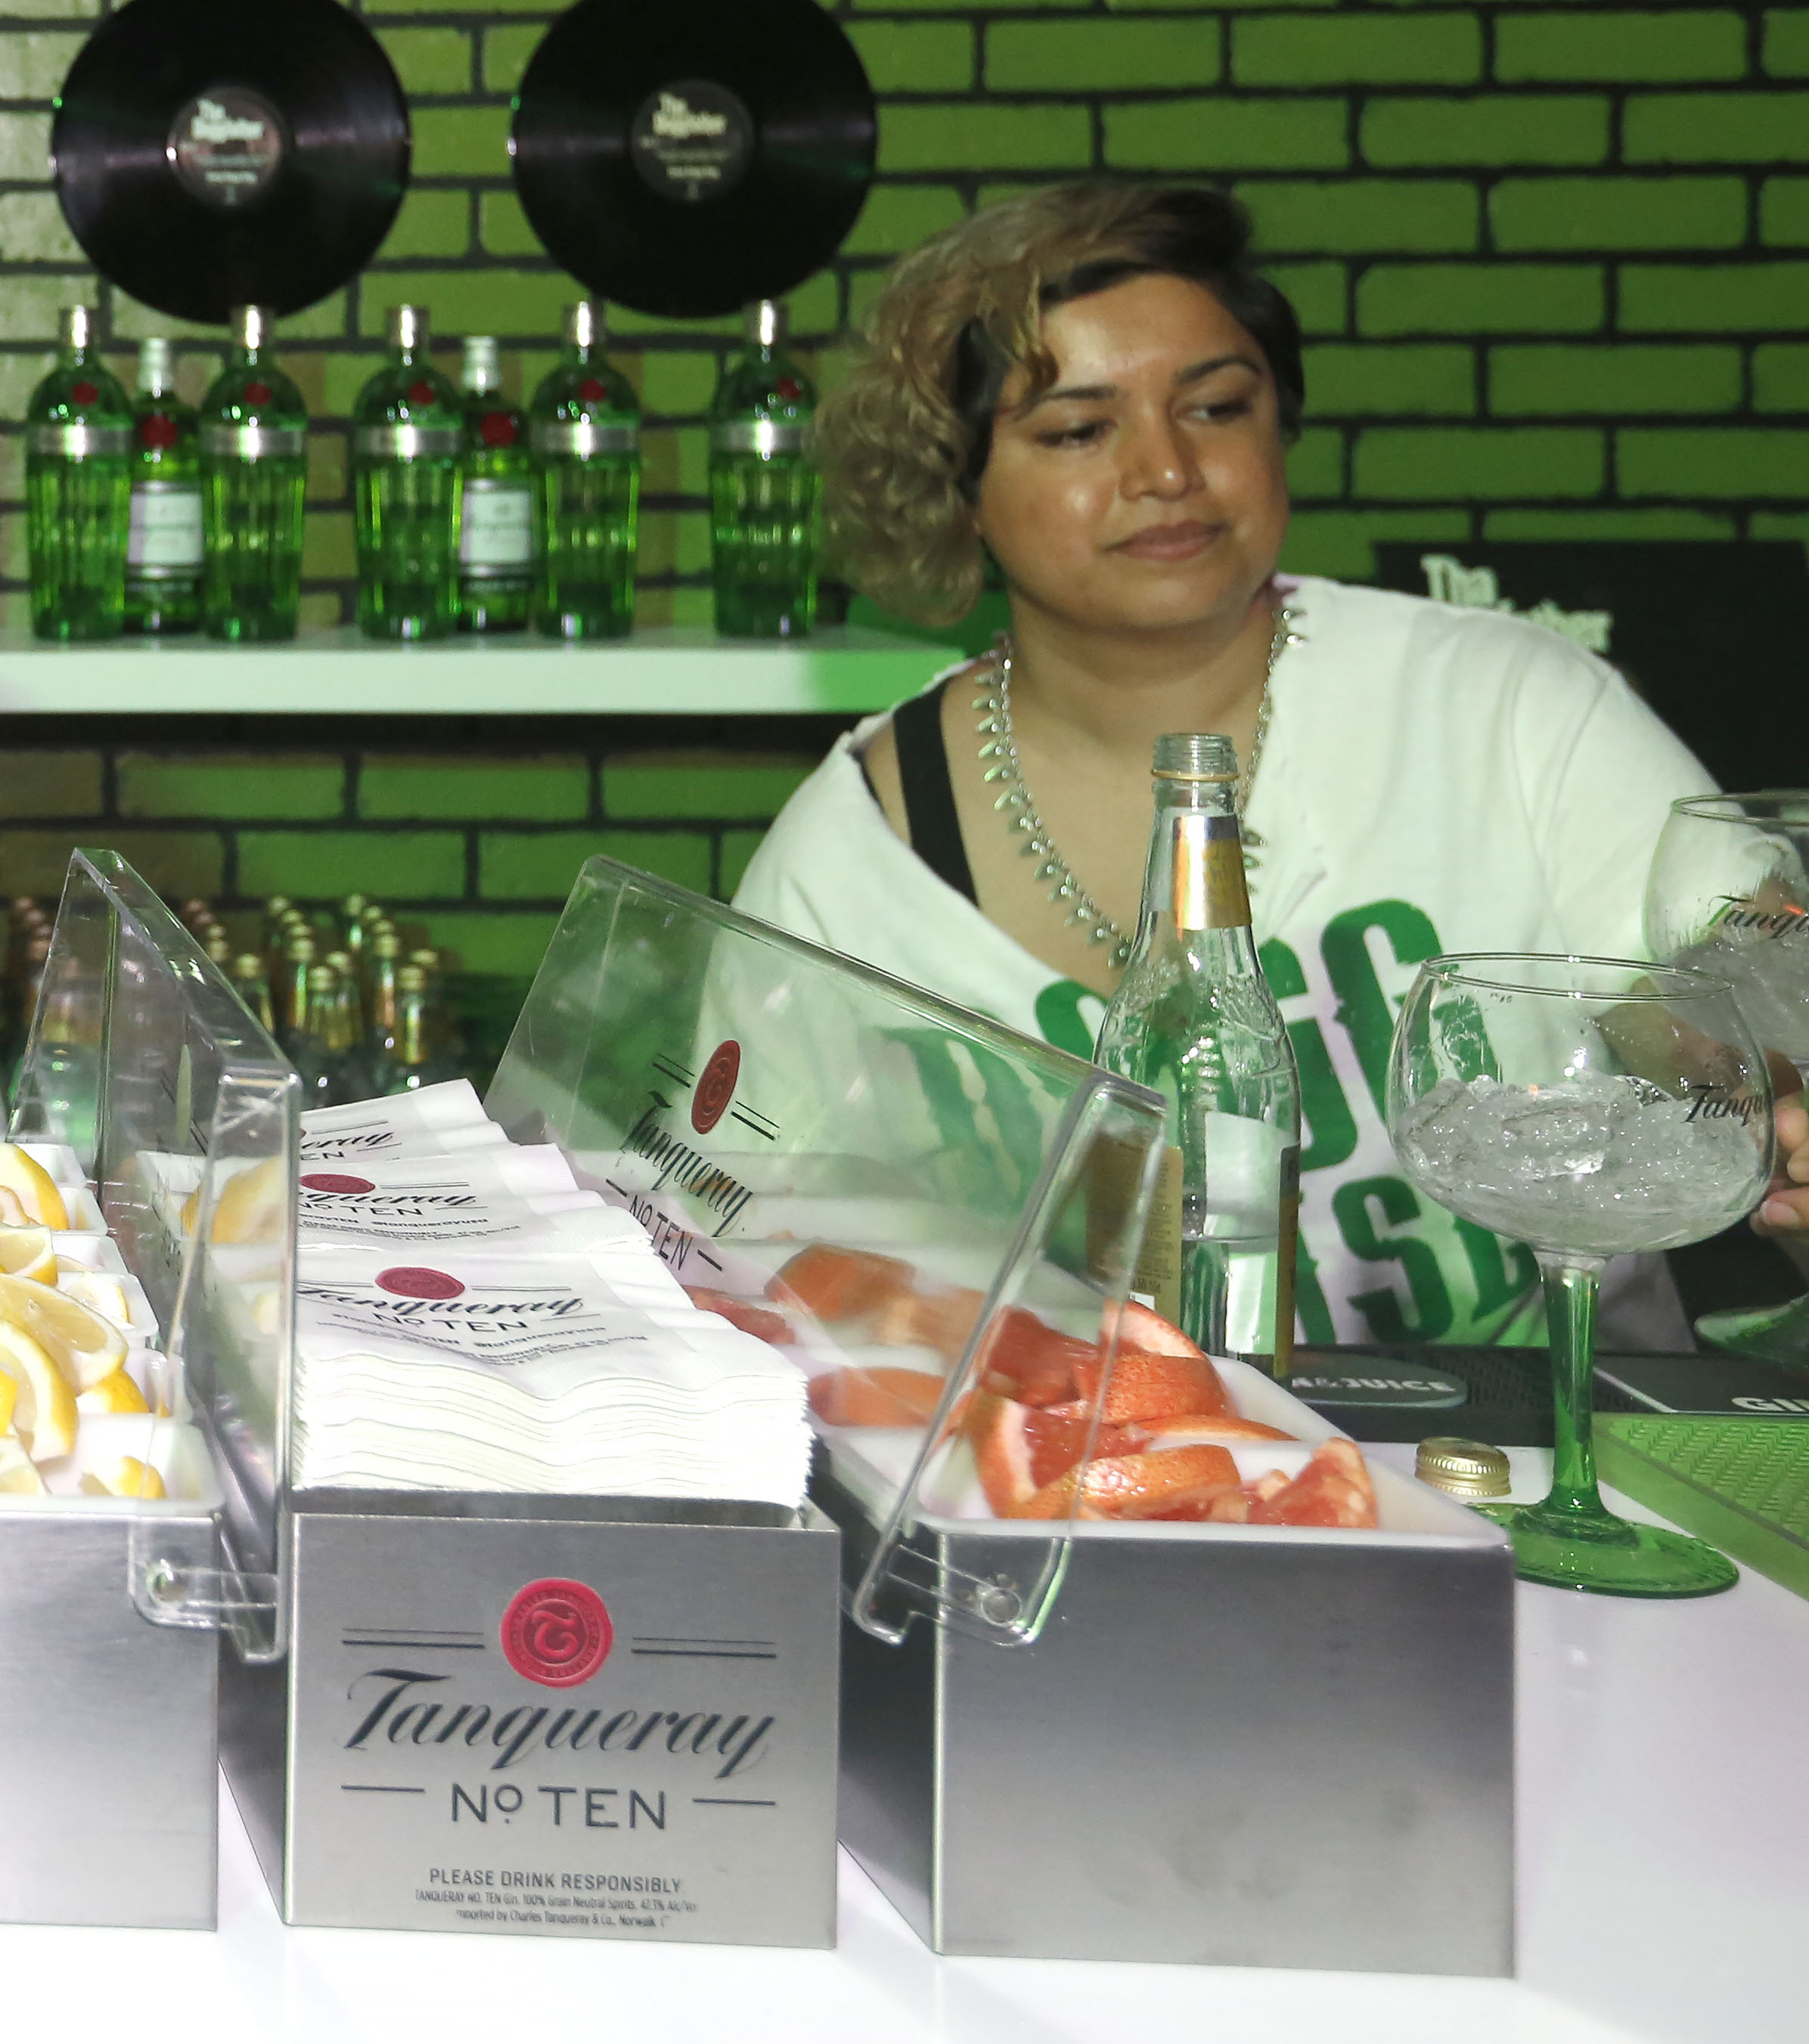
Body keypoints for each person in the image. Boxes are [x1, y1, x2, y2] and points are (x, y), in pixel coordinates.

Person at [733, 181, 1715, 1350]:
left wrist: (1738, 1053)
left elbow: (1714, 997)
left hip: (1563, 1478)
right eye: (1078, 430)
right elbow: (749, 1264)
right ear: (959, 495)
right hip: (1075, 1505)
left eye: (1214, 408)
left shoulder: (1504, 703)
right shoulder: (854, 860)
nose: (1165, 471)